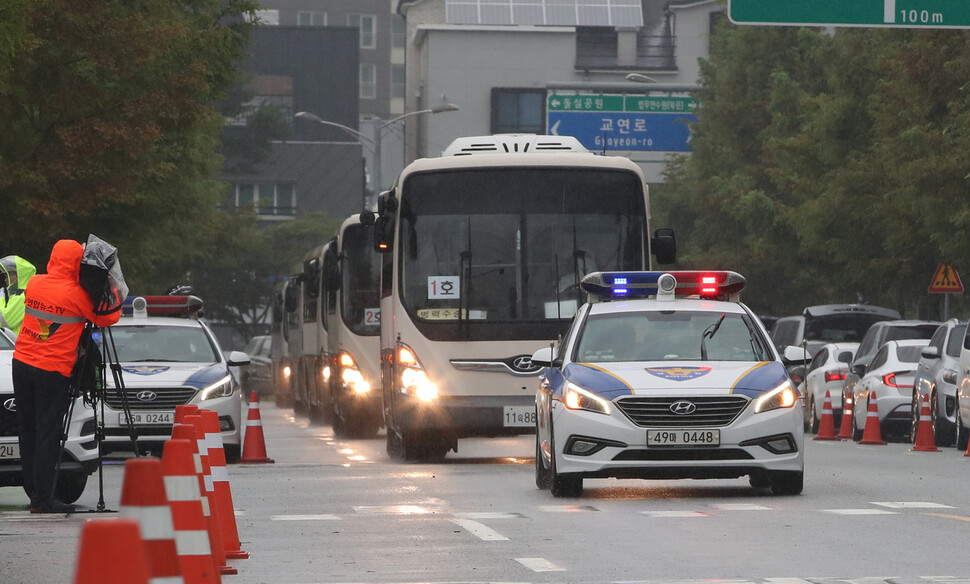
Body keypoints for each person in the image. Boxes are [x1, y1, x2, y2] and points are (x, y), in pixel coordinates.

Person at [12, 240, 120, 513]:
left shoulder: (35, 283)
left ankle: (33, 492)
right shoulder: (78, 295)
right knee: (48, 433)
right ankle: (43, 499)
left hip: (22, 364)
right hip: (51, 371)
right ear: (76, 263)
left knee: (28, 431)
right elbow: (110, 317)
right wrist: (109, 284)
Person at [0, 255, 36, 335]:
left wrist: (1, 299)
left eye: (9, 275)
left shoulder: (22, 297)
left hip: (15, 343)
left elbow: (3, 321)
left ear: (19, 276)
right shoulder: (20, 295)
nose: (6, 279)